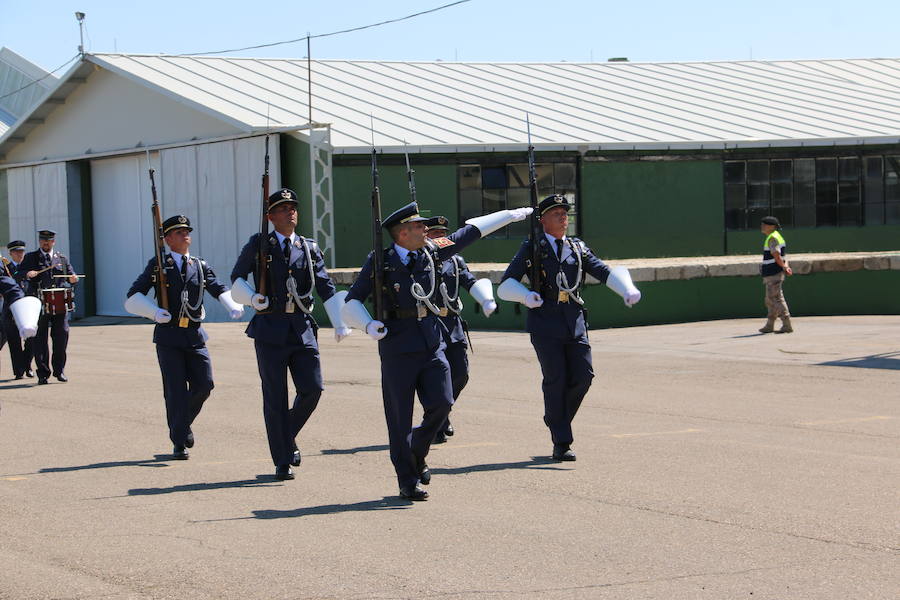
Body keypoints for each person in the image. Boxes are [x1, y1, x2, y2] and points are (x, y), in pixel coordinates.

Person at [342, 202, 531, 501]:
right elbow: (352, 300)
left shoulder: (432, 251)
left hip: (432, 342)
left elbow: (469, 233)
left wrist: (510, 215)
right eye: (419, 226)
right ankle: (407, 479)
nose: (426, 230)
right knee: (399, 418)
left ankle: (417, 450)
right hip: (397, 347)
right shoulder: (380, 261)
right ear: (403, 233)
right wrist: (367, 326)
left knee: (442, 403)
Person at [498, 194, 641, 462]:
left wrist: (626, 289)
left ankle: (555, 417)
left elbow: (602, 270)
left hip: (574, 319)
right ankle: (561, 441)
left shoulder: (577, 247)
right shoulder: (532, 248)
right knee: (556, 379)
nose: (563, 217)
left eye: (565, 213)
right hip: (545, 321)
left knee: (583, 376)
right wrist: (526, 296)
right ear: (542, 221)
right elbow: (506, 283)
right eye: (556, 214)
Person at [230, 188, 351, 481]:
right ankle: (282, 459)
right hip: (269, 327)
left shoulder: (309, 248)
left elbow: (326, 288)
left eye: (293, 207)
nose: (290, 212)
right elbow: (236, 278)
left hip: (301, 327)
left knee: (313, 388)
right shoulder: (260, 245)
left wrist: (339, 322)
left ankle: (286, 436)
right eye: (283, 208)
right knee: (275, 395)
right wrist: (251, 299)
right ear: (270, 216)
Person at [125, 215, 244, 459]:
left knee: (205, 384)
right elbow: (133, 295)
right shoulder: (159, 264)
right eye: (179, 232)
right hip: (169, 336)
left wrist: (231, 304)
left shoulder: (198, 265)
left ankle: (180, 426)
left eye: (187, 230)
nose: (185, 234)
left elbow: (217, 287)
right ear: (167, 239)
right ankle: (179, 441)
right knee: (175, 390)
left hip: (194, 333)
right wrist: (154, 312)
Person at [422, 216, 498, 444]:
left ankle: (441, 413)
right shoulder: (423, 260)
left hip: (453, 325)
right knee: (435, 377)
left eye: (443, 234)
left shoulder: (456, 261)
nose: (440, 238)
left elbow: (468, 281)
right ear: (427, 236)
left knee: (460, 374)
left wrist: (486, 299)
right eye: (435, 234)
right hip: (432, 326)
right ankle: (436, 422)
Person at [19, 229, 78, 385]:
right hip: (39, 303)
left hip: (58, 304)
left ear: (54, 242)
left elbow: (71, 276)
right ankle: (43, 373)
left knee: (61, 337)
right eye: (43, 240)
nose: (46, 243)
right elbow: (19, 273)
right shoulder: (31, 257)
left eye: (49, 240)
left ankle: (59, 371)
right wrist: (27, 274)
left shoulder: (61, 259)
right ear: (39, 241)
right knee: (40, 340)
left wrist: (73, 279)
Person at [1, 241, 35, 379]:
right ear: (10, 254)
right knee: (14, 340)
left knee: (32, 338)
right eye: (16, 252)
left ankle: (27, 365)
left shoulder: (30, 266)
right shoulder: (4, 267)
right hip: (10, 308)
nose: (19, 254)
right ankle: (19, 371)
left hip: (27, 307)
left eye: (21, 252)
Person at [758, 216, 793, 334]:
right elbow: (783, 256)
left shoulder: (772, 238)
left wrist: (783, 266)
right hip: (774, 272)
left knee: (775, 298)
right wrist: (786, 266)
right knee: (770, 299)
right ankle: (770, 324)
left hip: (773, 272)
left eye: (764, 224)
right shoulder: (777, 236)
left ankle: (786, 324)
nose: (762, 227)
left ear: (772, 226)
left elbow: (776, 254)